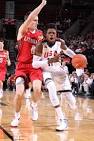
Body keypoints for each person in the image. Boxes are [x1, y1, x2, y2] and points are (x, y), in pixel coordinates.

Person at [32, 23, 77, 131]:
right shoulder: (40, 45)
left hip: (60, 72)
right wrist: (49, 60)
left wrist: (76, 56)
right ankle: (62, 119)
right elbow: (34, 64)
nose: (51, 35)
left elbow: (67, 51)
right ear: (45, 34)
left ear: (56, 34)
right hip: (47, 72)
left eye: (53, 33)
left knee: (72, 102)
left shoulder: (60, 42)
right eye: (49, 33)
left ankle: (71, 103)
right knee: (52, 90)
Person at [11, 0, 47, 127]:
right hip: (21, 67)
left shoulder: (40, 34)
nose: (36, 22)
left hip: (34, 66)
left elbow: (43, 50)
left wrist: (38, 49)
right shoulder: (22, 30)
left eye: (37, 20)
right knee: (19, 93)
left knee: (37, 90)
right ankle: (16, 116)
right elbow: (31, 16)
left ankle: (34, 106)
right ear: (28, 20)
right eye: (34, 20)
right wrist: (42, 5)